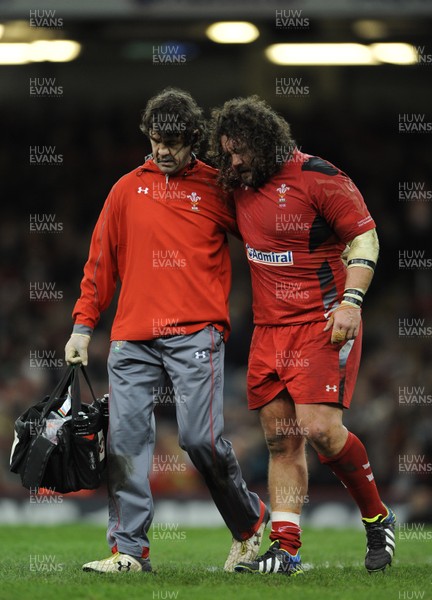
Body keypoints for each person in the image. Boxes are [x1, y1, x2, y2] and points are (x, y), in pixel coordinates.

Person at [64, 88, 268, 574]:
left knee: (200, 439)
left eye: (173, 142)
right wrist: (82, 326)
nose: (163, 151)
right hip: (132, 338)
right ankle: (129, 552)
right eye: (156, 140)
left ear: (194, 139)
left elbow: (264, 238)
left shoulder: (220, 188)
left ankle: (249, 522)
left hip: (196, 334)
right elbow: (99, 265)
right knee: (125, 444)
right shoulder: (125, 190)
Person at [209, 95, 395, 575]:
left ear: (265, 142)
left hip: (324, 323)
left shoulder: (319, 177)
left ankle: (377, 518)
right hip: (269, 331)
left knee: (320, 432)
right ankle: (286, 548)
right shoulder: (237, 185)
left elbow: (365, 237)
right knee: (279, 440)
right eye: (225, 152)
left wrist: (352, 302)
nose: (232, 162)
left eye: (239, 151)